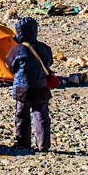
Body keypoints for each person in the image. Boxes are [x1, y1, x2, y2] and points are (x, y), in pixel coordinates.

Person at [5, 17, 53, 151]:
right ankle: (43, 144)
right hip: (41, 87)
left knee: (22, 115)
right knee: (41, 115)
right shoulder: (44, 48)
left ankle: (23, 143)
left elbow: (10, 65)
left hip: (23, 88)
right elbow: (49, 62)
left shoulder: (17, 49)